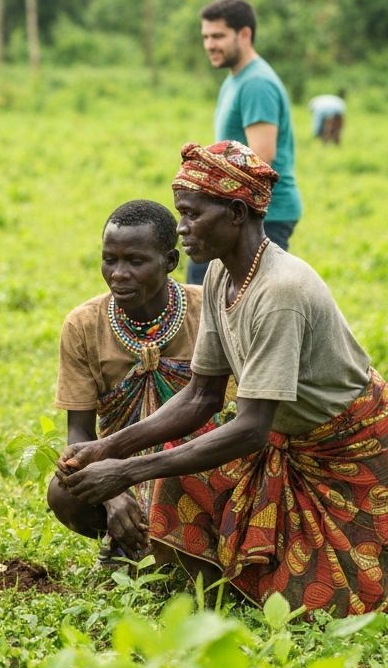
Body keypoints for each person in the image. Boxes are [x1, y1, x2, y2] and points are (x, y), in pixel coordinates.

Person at [57, 141, 388, 617]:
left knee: (328, 603)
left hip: (345, 449)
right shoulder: (220, 275)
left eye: (192, 214)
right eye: (180, 214)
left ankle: (233, 593)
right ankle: (206, 595)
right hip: (286, 438)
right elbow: (202, 395)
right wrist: (108, 448)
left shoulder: (280, 292)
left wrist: (127, 471)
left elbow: (251, 428)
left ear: (236, 213)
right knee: (178, 473)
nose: (182, 228)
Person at [48, 200, 205, 565]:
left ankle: (174, 550)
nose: (119, 274)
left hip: (194, 460)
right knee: (63, 492)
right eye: (110, 260)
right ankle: (129, 539)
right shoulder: (84, 325)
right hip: (118, 461)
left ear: (170, 261)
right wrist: (111, 493)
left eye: (135, 261)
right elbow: (79, 433)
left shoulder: (207, 311)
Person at [190, 0, 301, 285]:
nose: (209, 44)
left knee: (244, 301)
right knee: (208, 292)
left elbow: (261, 158)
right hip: (236, 210)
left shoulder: (256, 84)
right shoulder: (235, 79)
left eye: (218, 36)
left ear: (245, 34)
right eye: (205, 36)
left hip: (261, 215)